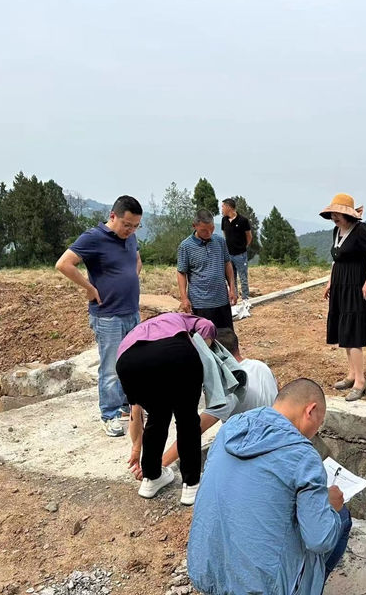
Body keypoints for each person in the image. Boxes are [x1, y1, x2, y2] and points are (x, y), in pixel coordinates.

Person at [188, 378, 352, 595]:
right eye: (319, 424)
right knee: (341, 518)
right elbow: (319, 541)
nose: (315, 431)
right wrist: (330, 507)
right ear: (310, 411)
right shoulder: (303, 455)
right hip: (260, 589)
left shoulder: (230, 429)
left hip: (206, 573)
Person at [55, 195, 143, 437]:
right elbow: (64, 264)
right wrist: (89, 288)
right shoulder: (93, 237)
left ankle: (127, 406)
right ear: (113, 216)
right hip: (108, 316)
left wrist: (130, 277)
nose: (130, 230)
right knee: (111, 367)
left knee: (132, 363)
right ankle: (109, 414)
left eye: (136, 226)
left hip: (131, 311)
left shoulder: (131, 237)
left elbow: (136, 259)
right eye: (127, 225)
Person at [115, 312, 218, 504]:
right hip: (177, 354)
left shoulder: (134, 334)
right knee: (187, 418)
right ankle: (191, 485)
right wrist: (201, 354)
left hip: (128, 363)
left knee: (157, 415)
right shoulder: (179, 317)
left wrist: (136, 448)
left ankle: (151, 478)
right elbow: (207, 326)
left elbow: (135, 411)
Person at [160, 327, 278, 468]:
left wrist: (160, 463)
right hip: (275, 439)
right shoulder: (261, 367)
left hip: (254, 452)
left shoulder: (229, 385)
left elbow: (194, 431)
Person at [320, 193, 366, 402]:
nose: (334, 218)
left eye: (337, 214)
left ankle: (360, 382)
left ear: (347, 214)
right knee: (345, 331)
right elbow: (336, 260)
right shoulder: (336, 231)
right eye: (332, 214)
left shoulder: (361, 230)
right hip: (340, 286)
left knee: (354, 333)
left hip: (356, 285)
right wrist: (330, 282)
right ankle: (351, 375)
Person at [177, 209, 237, 330]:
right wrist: (184, 298)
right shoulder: (185, 246)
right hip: (201, 304)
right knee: (205, 338)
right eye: (204, 230)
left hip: (222, 300)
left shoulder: (220, 241)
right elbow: (181, 272)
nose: (209, 233)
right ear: (194, 226)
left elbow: (227, 264)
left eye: (212, 229)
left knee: (227, 336)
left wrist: (232, 288)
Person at [220, 198, 252, 303]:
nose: (222, 209)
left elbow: (249, 237)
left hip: (240, 255)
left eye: (223, 206)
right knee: (231, 278)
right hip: (229, 255)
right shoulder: (224, 220)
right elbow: (225, 235)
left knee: (243, 277)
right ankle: (234, 298)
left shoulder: (243, 220)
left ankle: (245, 299)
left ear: (228, 207)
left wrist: (243, 247)